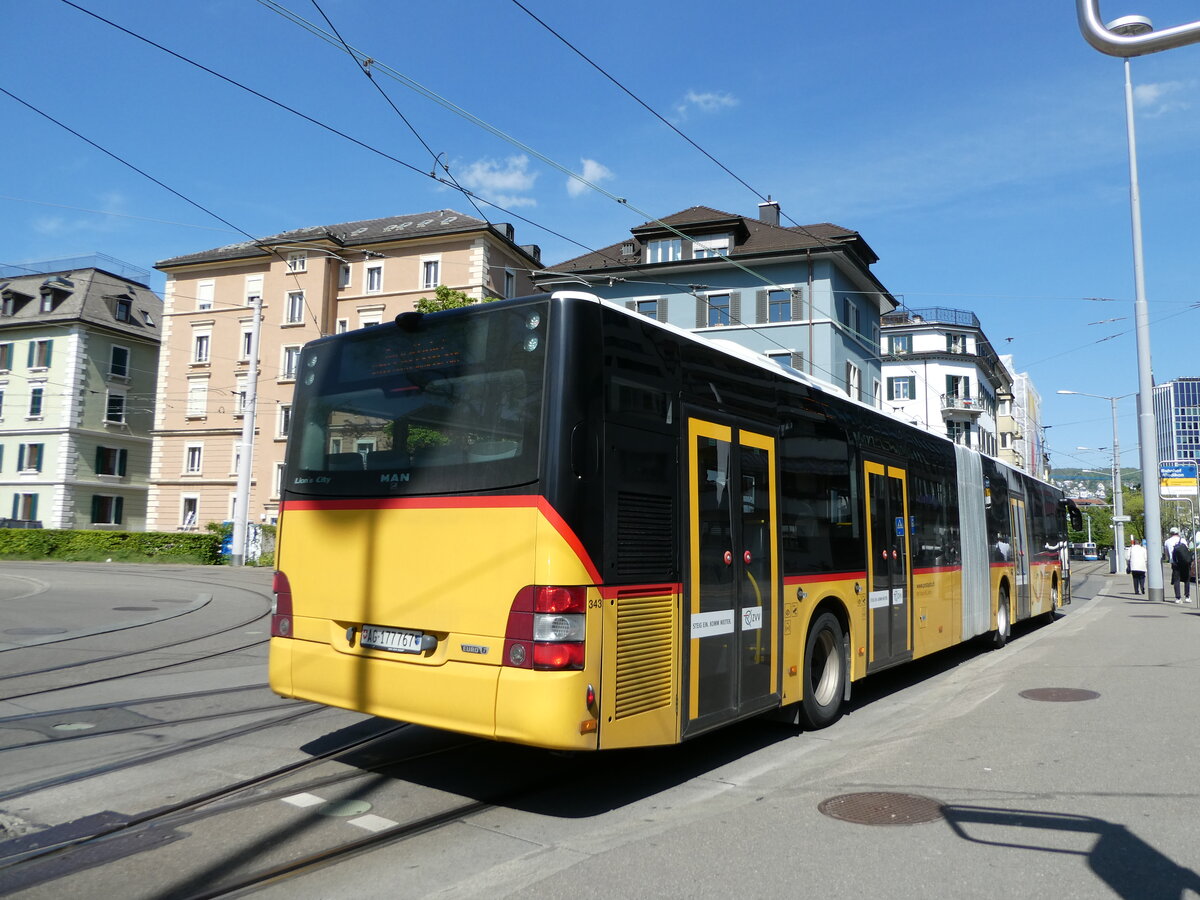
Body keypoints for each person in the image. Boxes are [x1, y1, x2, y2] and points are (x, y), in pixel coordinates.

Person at [1164, 526, 1191, 603]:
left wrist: (1170, 560)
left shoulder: (1167, 541)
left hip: (1175, 563)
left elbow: (1167, 553)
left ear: (1170, 533)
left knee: (1176, 580)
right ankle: (1187, 596)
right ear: (1178, 533)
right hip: (1184, 562)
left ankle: (1178, 598)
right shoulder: (1183, 540)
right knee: (1186, 579)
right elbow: (1187, 550)